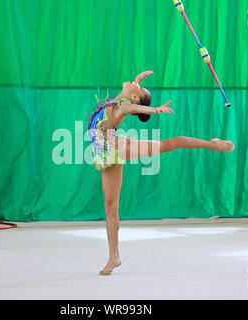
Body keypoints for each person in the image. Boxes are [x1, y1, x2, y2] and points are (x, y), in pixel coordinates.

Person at [87, 71, 234, 275]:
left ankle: (213, 144)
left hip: (116, 147)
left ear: (136, 97)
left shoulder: (124, 106)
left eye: (137, 87)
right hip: (105, 155)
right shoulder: (119, 100)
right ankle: (114, 257)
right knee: (110, 205)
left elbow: (136, 105)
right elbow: (131, 94)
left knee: (168, 144)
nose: (132, 82)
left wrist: (155, 109)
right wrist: (138, 82)